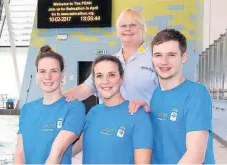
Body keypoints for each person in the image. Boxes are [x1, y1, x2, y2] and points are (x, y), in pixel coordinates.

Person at [65, 8, 158, 112]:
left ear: (143, 28)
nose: (128, 29)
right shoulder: (110, 62)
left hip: (141, 122)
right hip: (109, 124)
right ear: (118, 31)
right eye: (123, 26)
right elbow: (84, 89)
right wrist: (56, 102)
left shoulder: (156, 58)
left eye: (133, 25)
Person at [150, 29, 215, 164]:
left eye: (171, 55)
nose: (163, 61)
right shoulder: (155, 95)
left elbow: (195, 155)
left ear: (184, 57)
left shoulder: (197, 94)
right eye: (158, 55)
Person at [72, 55, 153, 164]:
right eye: (99, 76)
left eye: (111, 75)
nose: (105, 81)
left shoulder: (138, 115)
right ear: (94, 81)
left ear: (121, 78)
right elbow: (82, 143)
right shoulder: (93, 113)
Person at [13, 45, 86, 164]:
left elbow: (56, 154)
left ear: (62, 75)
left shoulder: (74, 107)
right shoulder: (27, 109)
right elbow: (20, 152)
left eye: (54, 71)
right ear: (37, 75)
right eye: (42, 71)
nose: (48, 77)